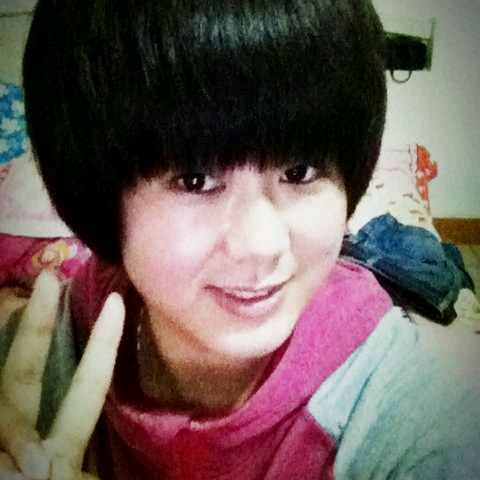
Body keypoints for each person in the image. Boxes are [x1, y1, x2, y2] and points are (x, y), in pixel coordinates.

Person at [0, 0, 478, 478]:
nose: (262, 246)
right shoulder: (28, 377)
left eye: (300, 171)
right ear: (98, 191)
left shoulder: (420, 423)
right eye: (195, 180)